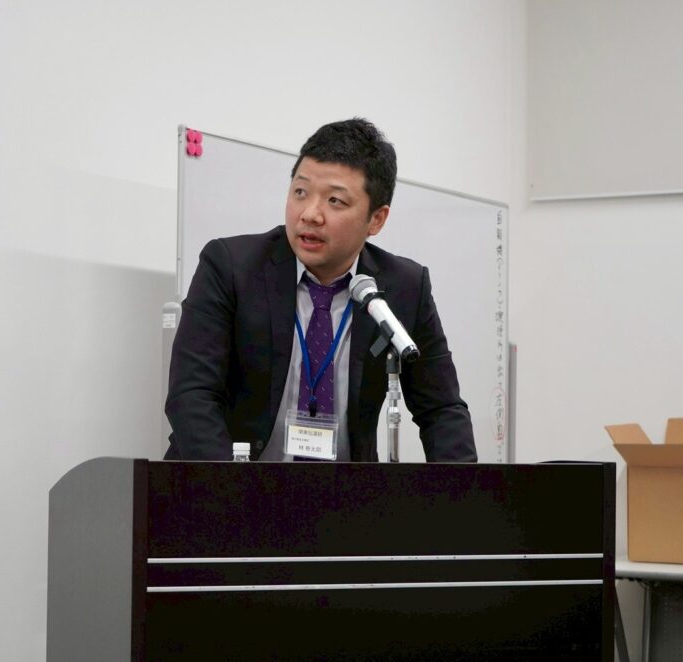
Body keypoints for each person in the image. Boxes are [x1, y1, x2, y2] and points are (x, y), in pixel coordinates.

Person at [164, 118, 476, 462]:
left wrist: (463, 493)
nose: (310, 214)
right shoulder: (231, 267)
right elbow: (191, 395)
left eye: (335, 201)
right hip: (231, 481)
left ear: (376, 219)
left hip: (342, 493)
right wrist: (237, 489)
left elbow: (442, 411)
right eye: (300, 192)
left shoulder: (403, 288)